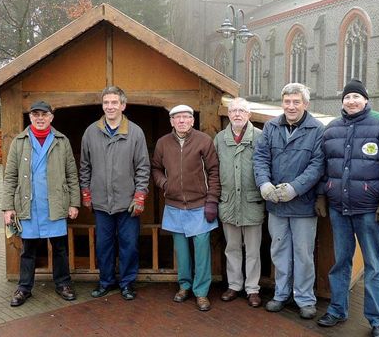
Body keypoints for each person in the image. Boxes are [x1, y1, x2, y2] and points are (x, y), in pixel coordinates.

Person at [315, 80, 379, 337]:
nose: (352, 101)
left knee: (373, 265)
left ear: (366, 100)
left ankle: (378, 320)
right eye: (348, 97)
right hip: (339, 209)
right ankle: (337, 310)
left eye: (357, 96)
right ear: (342, 101)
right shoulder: (332, 129)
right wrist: (322, 195)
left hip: (370, 210)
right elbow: (324, 167)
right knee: (340, 262)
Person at [253, 83, 325, 319]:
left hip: (303, 205)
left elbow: (317, 166)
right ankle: (281, 294)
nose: (291, 106)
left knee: (303, 253)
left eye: (296, 102)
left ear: (306, 104)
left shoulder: (317, 130)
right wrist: (264, 183)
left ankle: (304, 298)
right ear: (282, 103)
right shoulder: (271, 127)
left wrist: (295, 188)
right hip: (276, 205)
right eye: (287, 102)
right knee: (280, 250)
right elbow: (261, 157)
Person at [2, 101, 80, 307]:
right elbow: (10, 177)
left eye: (44, 114)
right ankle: (24, 287)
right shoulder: (19, 142)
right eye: (35, 114)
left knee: (60, 248)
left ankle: (63, 283)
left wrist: (74, 203)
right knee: (28, 249)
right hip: (29, 205)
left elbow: (72, 174)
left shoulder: (62, 141)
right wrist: (8, 207)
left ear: (51, 117)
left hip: (55, 203)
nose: (40, 118)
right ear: (30, 117)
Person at [79, 86, 150, 301]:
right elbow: (84, 165)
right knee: (103, 246)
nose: (110, 106)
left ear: (123, 105)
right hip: (101, 202)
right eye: (106, 103)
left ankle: (127, 283)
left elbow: (143, 167)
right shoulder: (91, 132)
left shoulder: (135, 132)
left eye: (114, 103)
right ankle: (106, 282)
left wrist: (140, 196)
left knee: (129, 245)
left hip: (127, 203)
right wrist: (86, 193)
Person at [151, 104, 220, 311]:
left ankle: (201, 292)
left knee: (201, 251)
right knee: (181, 251)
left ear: (192, 120)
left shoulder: (204, 141)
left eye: (186, 117)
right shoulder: (163, 143)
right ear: (171, 121)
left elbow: (214, 171)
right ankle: (184, 286)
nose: (181, 121)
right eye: (177, 118)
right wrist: (165, 184)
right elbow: (155, 168)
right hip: (174, 205)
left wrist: (212, 201)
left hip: (200, 204)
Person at [214, 98, 265, 308]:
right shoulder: (219, 139)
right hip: (228, 202)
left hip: (252, 202)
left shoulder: (260, 138)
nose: (237, 114)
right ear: (228, 113)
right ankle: (234, 285)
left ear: (249, 115)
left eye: (242, 111)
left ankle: (252, 288)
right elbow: (213, 171)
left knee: (253, 250)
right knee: (232, 248)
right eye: (233, 110)